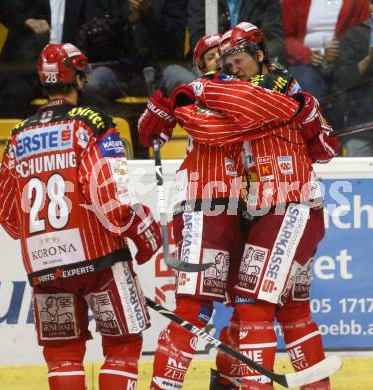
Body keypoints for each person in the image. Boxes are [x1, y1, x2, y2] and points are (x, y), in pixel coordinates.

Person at [137, 23, 338, 389]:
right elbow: (149, 131)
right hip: (209, 207)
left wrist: (309, 115)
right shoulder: (216, 93)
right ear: (201, 65)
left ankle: (236, 380)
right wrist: (166, 103)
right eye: (216, 58)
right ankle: (217, 381)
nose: (226, 65)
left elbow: (324, 146)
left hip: (269, 209)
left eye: (231, 56)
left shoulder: (272, 88)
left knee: (260, 306)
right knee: (209, 308)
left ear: (257, 56)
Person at [0, 43, 162, 390]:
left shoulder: (16, 135)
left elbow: (8, 215)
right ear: (80, 78)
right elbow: (111, 196)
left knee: (62, 353)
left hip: (45, 266)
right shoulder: (93, 123)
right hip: (100, 261)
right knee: (122, 345)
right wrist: (142, 227)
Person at [0, 0, 86, 117]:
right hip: (25, 66)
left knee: (88, 88)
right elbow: (6, 9)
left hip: (66, 66)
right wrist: (26, 20)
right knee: (13, 89)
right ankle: (10, 133)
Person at [281, 0, 370, 99]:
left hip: (345, 61)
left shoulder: (358, 2)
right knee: (309, 89)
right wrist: (307, 55)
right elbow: (284, 37)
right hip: (305, 63)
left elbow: (365, 32)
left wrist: (343, 48)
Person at [331, 0, 373, 156]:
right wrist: (368, 59)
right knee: (354, 156)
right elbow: (343, 80)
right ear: (368, 6)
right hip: (361, 125)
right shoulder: (355, 35)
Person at [187, 0, 284, 59]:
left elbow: (275, 40)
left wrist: (253, 56)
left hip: (253, 61)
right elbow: (198, 39)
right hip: (215, 62)